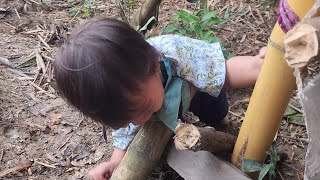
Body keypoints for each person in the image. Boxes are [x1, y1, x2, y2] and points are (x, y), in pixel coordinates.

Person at [54, 17, 266, 180]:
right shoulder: (123, 99)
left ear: (155, 64)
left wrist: (264, 67)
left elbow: (225, 71)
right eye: (127, 119)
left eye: (142, 109)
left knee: (216, 113)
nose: (137, 122)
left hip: (197, 93)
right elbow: (125, 131)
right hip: (170, 108)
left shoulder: (179, 54)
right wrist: (116, 161)